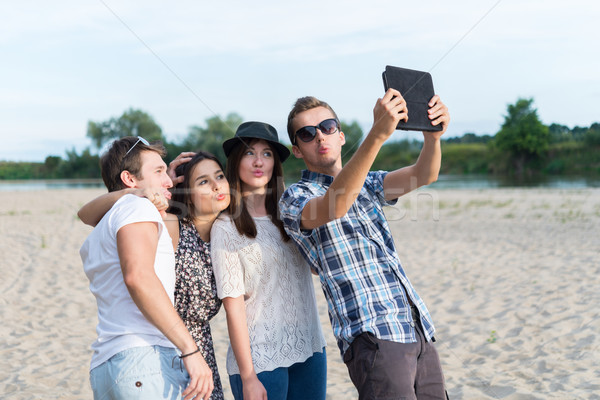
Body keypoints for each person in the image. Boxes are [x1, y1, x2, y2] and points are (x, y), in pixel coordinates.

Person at [278, 89, 451, 400]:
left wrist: (432, 135)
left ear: (341, 136)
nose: (320, 136)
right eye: (307, 133)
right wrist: (376, 134)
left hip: (415, 326)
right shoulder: (295, 197)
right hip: (371, 334)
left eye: (328, 127)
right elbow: (335, 204)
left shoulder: (369, 183)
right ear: (297, 150)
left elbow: (424, 174)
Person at [78, 136, 214, 400]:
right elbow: (138, 277)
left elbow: (86, 214)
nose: (168, 180)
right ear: (130, 179)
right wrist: (190, 350)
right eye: (159, 170)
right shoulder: (137, 207)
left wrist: (156, 187)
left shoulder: (109, 218)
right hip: (144, 359)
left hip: (110, 364)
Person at [210, 122, 327, 400]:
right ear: (236, 162)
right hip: (260, 358)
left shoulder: (292, 214)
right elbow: (233, 305)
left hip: (310, 348)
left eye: (267, 154)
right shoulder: (225, 227)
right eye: (250, 153)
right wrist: (248, 376)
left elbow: (316, 266)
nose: (259, 161)